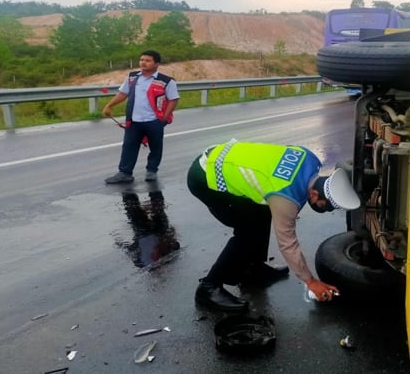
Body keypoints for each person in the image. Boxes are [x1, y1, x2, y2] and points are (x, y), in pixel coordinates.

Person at [187, 139, 360, 311]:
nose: (324, 209)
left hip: (220, 154)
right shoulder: (286, 196)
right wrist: (311, 281)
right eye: (323, 205)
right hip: (205, 175)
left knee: (262, 212)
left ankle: (252, 270)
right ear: (314, 194)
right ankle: (209, 288)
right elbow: (288, 244)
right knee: (248, 231)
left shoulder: (309, 158)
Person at [103, 50, 180, 184]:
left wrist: (164, 117)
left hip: (154, 120)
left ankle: (151, 170)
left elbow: (173, 99)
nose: (143, 62)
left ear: (156, 64)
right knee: (129, 146)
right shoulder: (132, 77)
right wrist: (109, 105)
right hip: (134, 120)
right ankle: (125, 173)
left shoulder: (166, 81)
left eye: (147, 60)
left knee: (156, 147)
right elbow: (123, 93)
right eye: (141, 60)